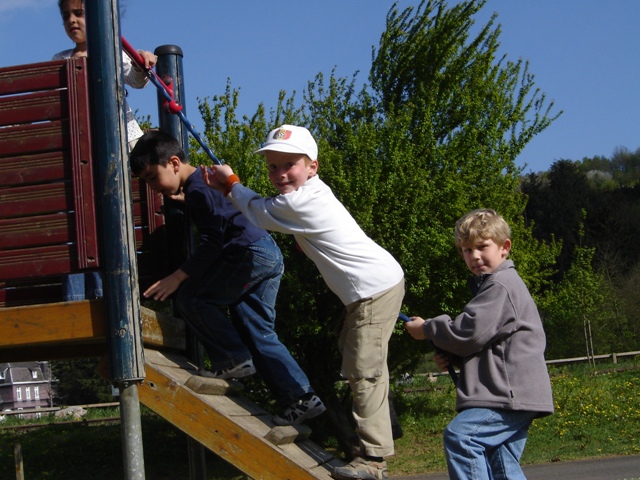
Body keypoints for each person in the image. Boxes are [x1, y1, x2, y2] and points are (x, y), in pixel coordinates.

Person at [203, 125, 405, 480]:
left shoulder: (302, 200)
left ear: (312, 166)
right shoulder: (312, 195)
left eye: (289, 164)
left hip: (372, 289)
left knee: (364, 368)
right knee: (358, 359)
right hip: (371, 289)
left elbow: (258, 212)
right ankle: (382, 430)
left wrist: (231, 182)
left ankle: (373, 459)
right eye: (272, 166)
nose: (280, 173)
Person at [129, 130, 325, 426]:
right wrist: (185, 200)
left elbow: (212, 242)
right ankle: (300, 397)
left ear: (173, 162)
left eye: (152, 177)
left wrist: (178, 276)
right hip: (266, 253)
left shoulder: (199, 189)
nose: (153, 187)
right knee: (257, 329)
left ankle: (233, 360)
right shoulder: (201, 185)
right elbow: (218, 212)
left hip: (248, 254)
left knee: (192, 298)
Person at [404, 209, 554, 480]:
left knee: (462, 438)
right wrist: (456, 357)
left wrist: (427, 329)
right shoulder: (494, 287)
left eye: (482, 247)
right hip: (513, 393)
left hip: (507, 395)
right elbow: (489, 344)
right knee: (501, 461)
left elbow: (470, 333)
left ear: (504, 247)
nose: (474, 256)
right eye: (466, 250)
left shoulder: (501, 285)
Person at [53, 0, 157, 301]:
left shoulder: (111, 51)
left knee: (103, 220)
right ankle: (77, 300)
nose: (72, 21)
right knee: (80, 223)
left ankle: (104, 294)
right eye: (66, 16)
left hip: (114, 149)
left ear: (98, 17)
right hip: (79, 150)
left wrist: (144, 61)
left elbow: (137, 80)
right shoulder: (61, 59)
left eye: (80, 13)